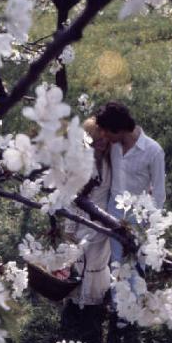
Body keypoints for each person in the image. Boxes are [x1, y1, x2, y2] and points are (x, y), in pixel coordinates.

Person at [94, 102, 165, 269]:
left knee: (138, 263)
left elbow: (159, 193)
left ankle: (138, 295)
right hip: (114, 213)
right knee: (117, 264)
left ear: (120, 129)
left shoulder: (153, 151)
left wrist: (152, 226)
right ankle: (117, 294)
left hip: (138, 218)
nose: (104, 135)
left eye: (107, 131)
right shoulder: (113, 145)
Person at [65, 117, 112, 308]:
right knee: (83, 257)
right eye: (95, 140)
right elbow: (71, 196)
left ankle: (95, 298)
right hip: (84, 218)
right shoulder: (82, 164)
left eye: (104, 139)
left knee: (98, 259)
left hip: (105, 219)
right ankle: (78, 297)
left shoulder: (111, 162)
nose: (100, 144)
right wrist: (69, 227)